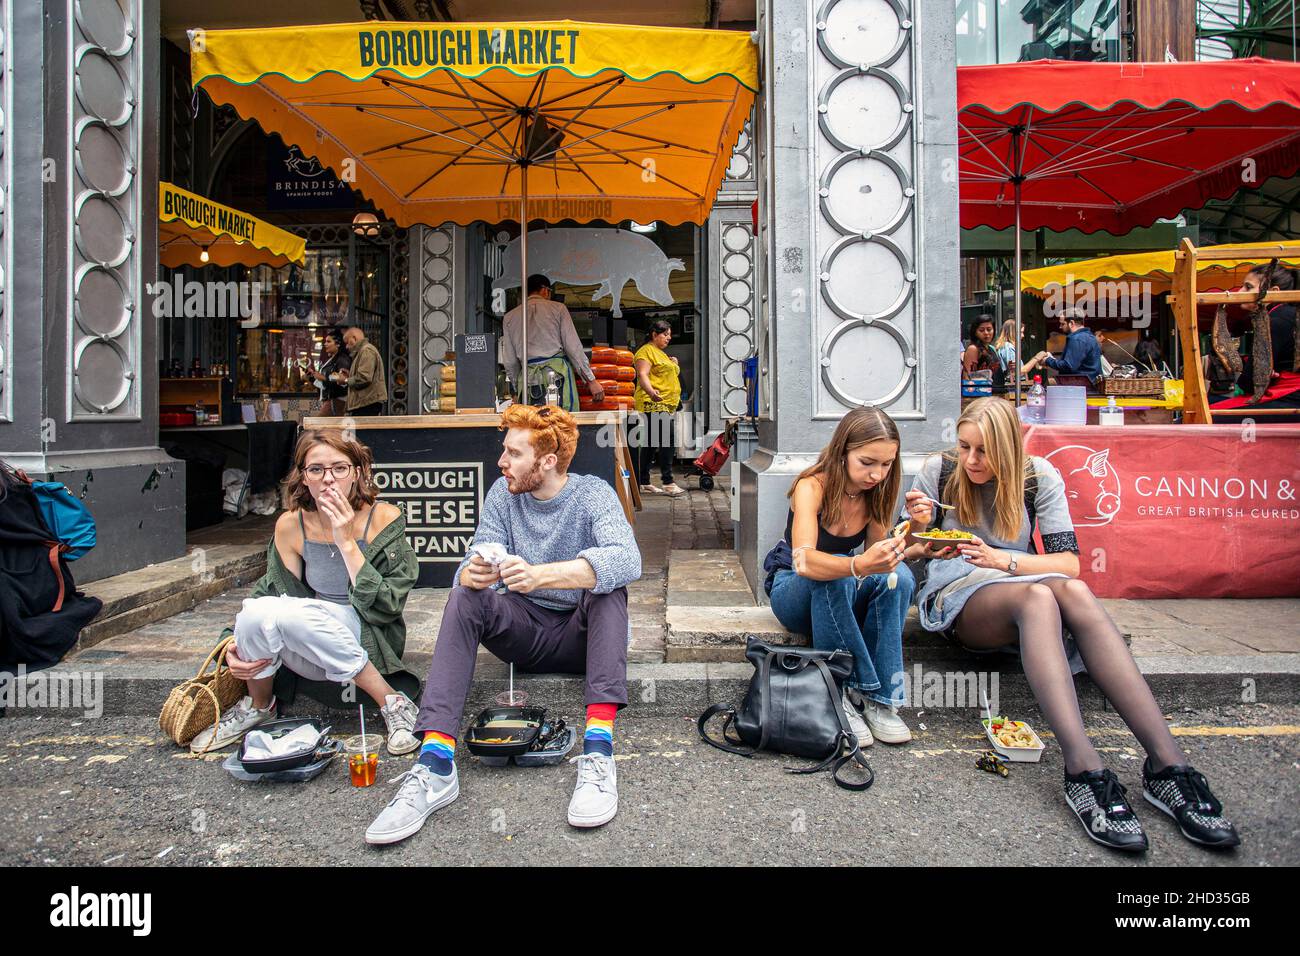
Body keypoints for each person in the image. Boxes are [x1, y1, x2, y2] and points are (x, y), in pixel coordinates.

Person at [904, 397, 1239, 852]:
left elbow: (1070, 564)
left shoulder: (1038, 475)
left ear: (1009, 449)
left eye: (983, 451)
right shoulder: (939, 471)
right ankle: (1083, 769)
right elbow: (906, 552)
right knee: (1041, 596)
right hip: (958, 596)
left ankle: (1168, 767)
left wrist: (1005, 559)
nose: (971, 461)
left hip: (1016, 576)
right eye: (964, 447)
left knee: (1072, 592)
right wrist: (920, 530)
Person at [365, 405, 640, 845]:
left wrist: (540, 574)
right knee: (463, 595)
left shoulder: (593, 494)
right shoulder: (503, 494)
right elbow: (477, 552)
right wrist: (471, 572)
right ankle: (435, 763)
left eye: (513, 453)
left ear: (547, 461)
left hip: (581, 637)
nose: (501, 462)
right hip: (523, 634)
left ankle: (598, 751)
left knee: (609, 589)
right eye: (503, 451)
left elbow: (628, 559)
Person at [190, 430, 422, 755]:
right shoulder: (290, 524)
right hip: (306, 639)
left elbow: (386, 607)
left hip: (366, 637)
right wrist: (230, 644)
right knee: (255, 613)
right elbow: (268, 592)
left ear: (357, 473)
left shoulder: (382, 519)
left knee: (293, 614)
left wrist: (345, 540)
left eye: (339, 468)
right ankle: (259, 705)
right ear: (303, 476)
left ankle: (393, 702)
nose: (328, 479)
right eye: (316, 470)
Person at [762, 407, 933, 746]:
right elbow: (804, 562)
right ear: (843, 452)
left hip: (839, 590)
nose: (877, 474)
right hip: (792, 592)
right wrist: (858, 566)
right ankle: (840, 691)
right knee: (838, 569)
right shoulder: (811, 485)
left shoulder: (877, 492)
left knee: (900, 577)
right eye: (867, 462)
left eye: (886, 464)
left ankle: (880, 701)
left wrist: (918, 527)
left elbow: (881, 559)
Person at [501, 274, 605, 411]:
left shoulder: (509, 317)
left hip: (528, 381)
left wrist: (516, 389)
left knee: (532, 426)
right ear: (545, 290)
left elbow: (510, 362)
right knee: (560, 424)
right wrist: (591, 380)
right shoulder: (558, 308)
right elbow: (573, 348)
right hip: (557, 379)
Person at [633, 319, 685, 497]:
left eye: (669, 335)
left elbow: (665, 373)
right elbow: (642, 374)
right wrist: (651, 392)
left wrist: (674, 364)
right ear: (654, 334)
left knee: (650, 443)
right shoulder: (645, 352)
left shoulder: (660, 353)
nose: (668, 338)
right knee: (667, 440)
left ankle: (643, 481)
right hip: (653, 402)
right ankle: (668, 482)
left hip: (664, 403)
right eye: (665, 334)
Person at [1242, 264, 1297, 375]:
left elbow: (1251, 378)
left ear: (1274, 291)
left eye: (1248, 287)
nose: (1240, 292)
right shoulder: (1287, 314)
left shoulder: (1277, 320)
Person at [1033, 308, 1102, 384]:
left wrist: (1047, 360)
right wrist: (1053, 360)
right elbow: (1075, 364)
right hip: (1088, 386)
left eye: (1063, 324)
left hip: (1080, 388)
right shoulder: (1089, 336)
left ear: (1071, 323)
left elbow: (1068, 366)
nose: (1060, 327)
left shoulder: (1077, 339)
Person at [338, 326, 387, 417]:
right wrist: (349, 376)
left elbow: (364, 378)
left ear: (354, 338)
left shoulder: (366, 351)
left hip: (367, 403)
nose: (347, 346)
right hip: (365, 402)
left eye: (347, 342)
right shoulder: (363, 351)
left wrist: (345, 380)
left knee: (362, 430)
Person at [311, 327, 350, 417]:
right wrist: (312, 376)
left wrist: (323, 378)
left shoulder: (342, 360)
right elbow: (327, 380)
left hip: (337, 401)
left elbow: (342, 381)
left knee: (318, 425)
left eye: (328, 342)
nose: (325, 344)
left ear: (338, 344)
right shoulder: (332, 359)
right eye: (325, 342)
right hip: (331, 400)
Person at [962, 314, 1003, 379]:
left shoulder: (991, 348)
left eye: (989, 329)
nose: (986, 333)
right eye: (981, 330)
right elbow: (967, 377)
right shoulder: (973, 349)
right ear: (975, 332)